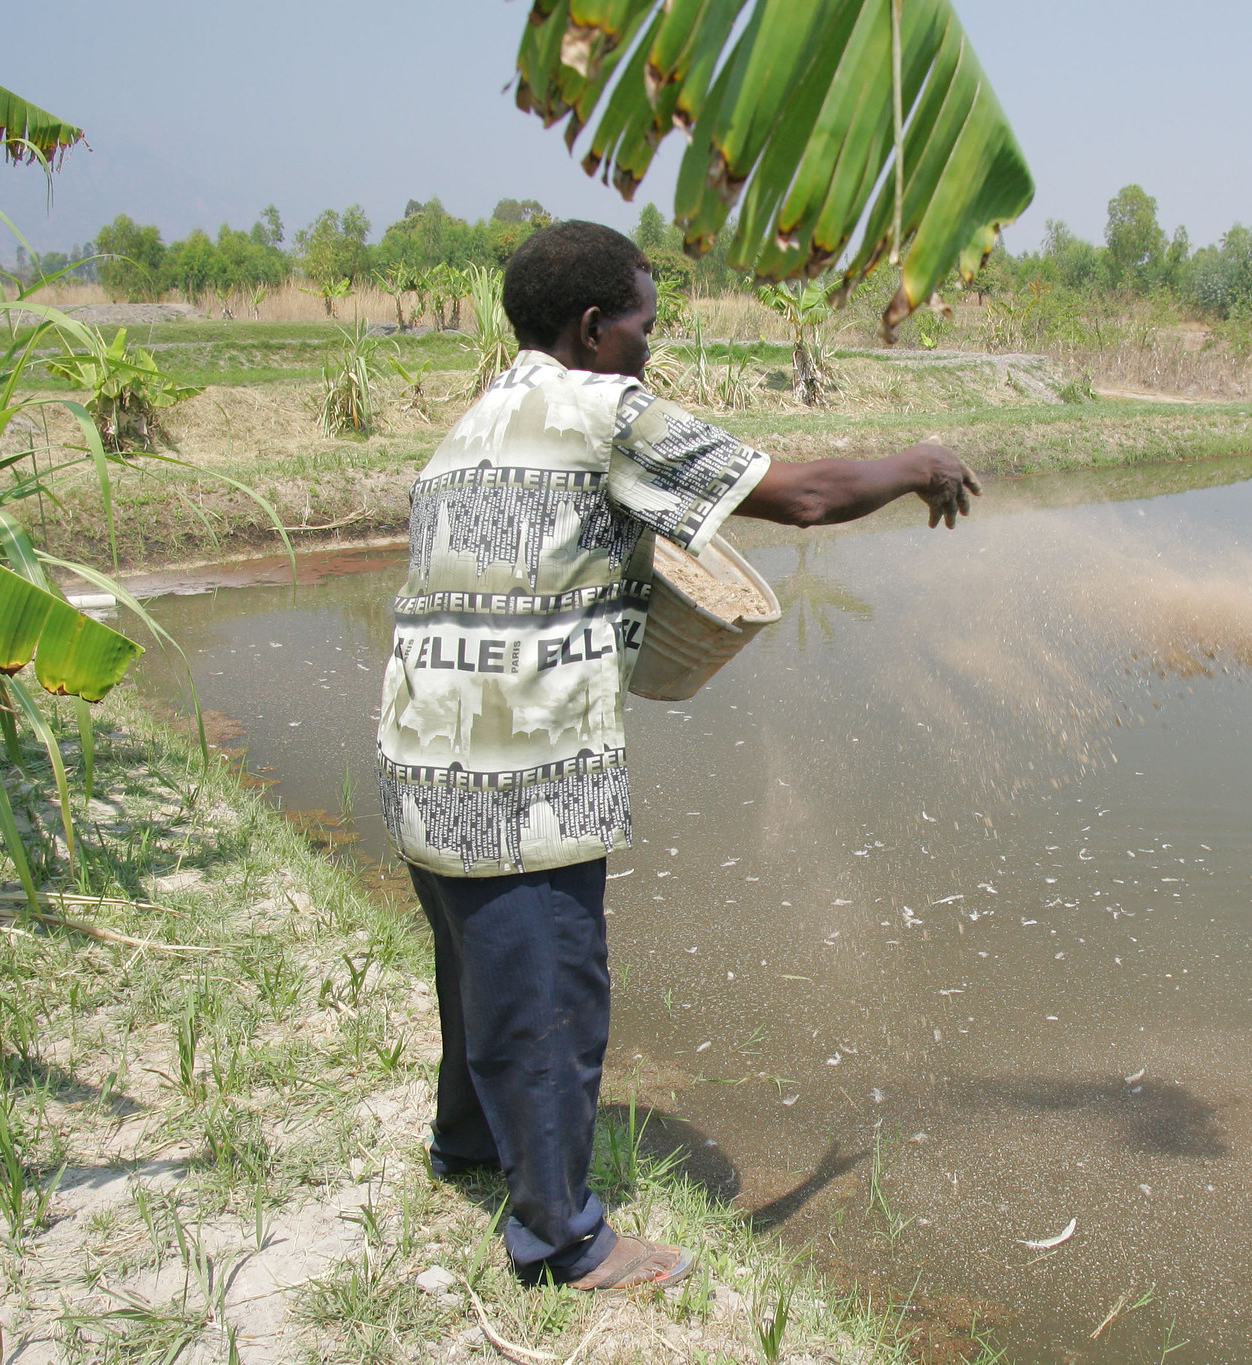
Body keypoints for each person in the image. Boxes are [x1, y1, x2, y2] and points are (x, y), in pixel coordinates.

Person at [374, 220, 978, 1290]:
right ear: (594, 326)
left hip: (427, 753)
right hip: (526, 766)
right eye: (644, 326)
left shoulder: (476, 420)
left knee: (476, 978)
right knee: (554, 1000)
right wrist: (916, 463)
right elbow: (801, 495)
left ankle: (465, 1150)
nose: (650, 347)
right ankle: (562, 1245)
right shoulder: (602, 406)